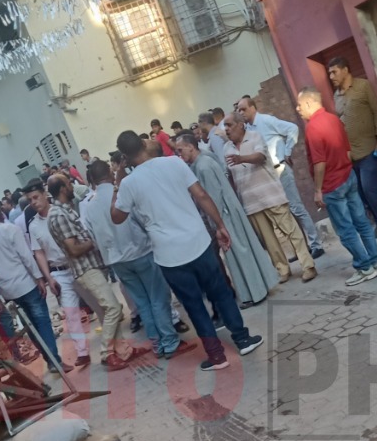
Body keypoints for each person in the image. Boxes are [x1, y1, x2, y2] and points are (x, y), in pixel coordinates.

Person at [111, 130, 263, 372]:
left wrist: (118, 181)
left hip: (169, 255)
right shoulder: (174, 163)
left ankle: (216, 356)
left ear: (124, 157)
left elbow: (117, 217)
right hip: (198, 241)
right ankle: (243, 340)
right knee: (220, 293)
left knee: (193, 305)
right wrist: (220, 226)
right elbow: (201, 195)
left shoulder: (129, 184)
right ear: (143, 144)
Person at [84, 158, 191, 360]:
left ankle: (157, 344)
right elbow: (142, 219)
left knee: (142, 303)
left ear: (93, 179)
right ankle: (170, 341)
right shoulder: (121, 193)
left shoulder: (89, 207)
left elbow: (92, 237)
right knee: (158, 298)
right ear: (109, 173)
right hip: (140, 252)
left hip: (117, 260)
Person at [175, 132, 279, 307]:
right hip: (227, 212)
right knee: (243, 250)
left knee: (238, 253)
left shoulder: (203, 166)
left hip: (224, 215)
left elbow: (213, 197)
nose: (179, 154)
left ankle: (255, 293)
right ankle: (258, 288)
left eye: (180, 150)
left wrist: (218, 225)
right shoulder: (203, 161)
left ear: (190, 147)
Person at [45, 174, 136, 370]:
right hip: (85, 268)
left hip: (90, 266)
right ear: (62, 189)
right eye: (68, 184)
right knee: (113, 308)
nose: (72, 186)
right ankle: (106, 353)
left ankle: (122, 350)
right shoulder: (58, 215)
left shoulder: (63, 210)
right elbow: (73, 249)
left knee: (108, 309)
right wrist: (94, 242)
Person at [297, 87, 377, 286]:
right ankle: (376, 260)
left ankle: (364, 267)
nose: (298, 108)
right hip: (348, 176)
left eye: (300, 105)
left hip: (332, 185)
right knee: (361, 221)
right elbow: (347, 151)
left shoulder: (313, 128)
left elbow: (319, 163)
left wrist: (318, 190)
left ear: (309, 103)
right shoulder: (334, 119)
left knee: (346, 230)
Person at [222, 114, 317, 284]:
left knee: (291, 232)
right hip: (250, 202)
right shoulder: (226, 148)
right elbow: (229, 176)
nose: (226, 129)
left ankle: (308, 265)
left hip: (271, 195)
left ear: (241, 125)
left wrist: (241, 158)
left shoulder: (255, 136)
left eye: (229, 125)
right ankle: (283, 269)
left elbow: (261, 157)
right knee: (269, 241)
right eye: (225, 126)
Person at [0, 205, 65, 369]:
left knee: (30, 325)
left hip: (7, 289)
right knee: (42, 322)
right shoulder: (10, 229)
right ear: (2, 216)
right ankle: (54, 361)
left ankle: (50, 360)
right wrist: (39, 278)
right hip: (26, 283)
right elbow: (25, 256)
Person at [236, 95, 323, 258]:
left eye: (243, 109)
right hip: (269, 175)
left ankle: (316, 244)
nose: (241, 113)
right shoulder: (249, 130)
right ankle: (301, 248)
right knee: (285, 213)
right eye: (239, 110)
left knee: (297, 208)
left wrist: (287, 151)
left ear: (253, 108)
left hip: (280, 169)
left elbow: (292, 128)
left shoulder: (266, 121)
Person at [24, 181, 90, 369]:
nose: (34, 202)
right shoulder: (34, 225)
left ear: (45, 194)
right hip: (59, 272)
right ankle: (82, 352)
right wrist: (49, 278)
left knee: (98, 304)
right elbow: (39, 253)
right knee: (70, 313)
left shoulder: (62, 212)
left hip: (79, 264)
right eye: (30, 200)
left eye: (36, 197)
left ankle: (113, 345)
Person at [327, 55, 377, 240]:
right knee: (361, 192)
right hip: (350, 154)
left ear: (345, 70)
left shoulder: (363, 86)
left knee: (370, 186)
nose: (331, 77)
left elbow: (376, 113)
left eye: (334, 72)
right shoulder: (336, 95)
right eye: (329, 73)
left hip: (369, 148)